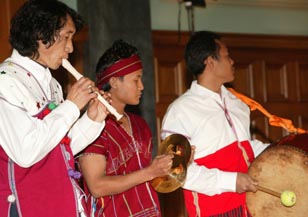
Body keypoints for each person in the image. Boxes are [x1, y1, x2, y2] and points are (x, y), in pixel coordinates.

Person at [0, 1, 109, 216]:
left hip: (59, 203)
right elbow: (26, 152)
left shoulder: (52, 84)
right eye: (66, 37)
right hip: (26, 206)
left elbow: (60, 150)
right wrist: (71, 106)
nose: (70, 47)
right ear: (41, 36)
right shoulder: (6, 81)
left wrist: (92, 119)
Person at [161, 31, 270, 217]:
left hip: (251, 205)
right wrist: (231, 181)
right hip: (213, 211)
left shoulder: (238, 103)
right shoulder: (180, 111)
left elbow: (244, 148)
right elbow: (176, 171)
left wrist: (281, 149)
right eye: (227, 56)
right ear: (210, 62)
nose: (232, 62)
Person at [78, 39, 173, 217]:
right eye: (136, 79)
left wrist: (174, 163)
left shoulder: (140, 124)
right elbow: (97, 187)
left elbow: (149, 177)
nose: (142, 86)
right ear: (114, 82)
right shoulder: (92, 128)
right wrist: (149, 172)